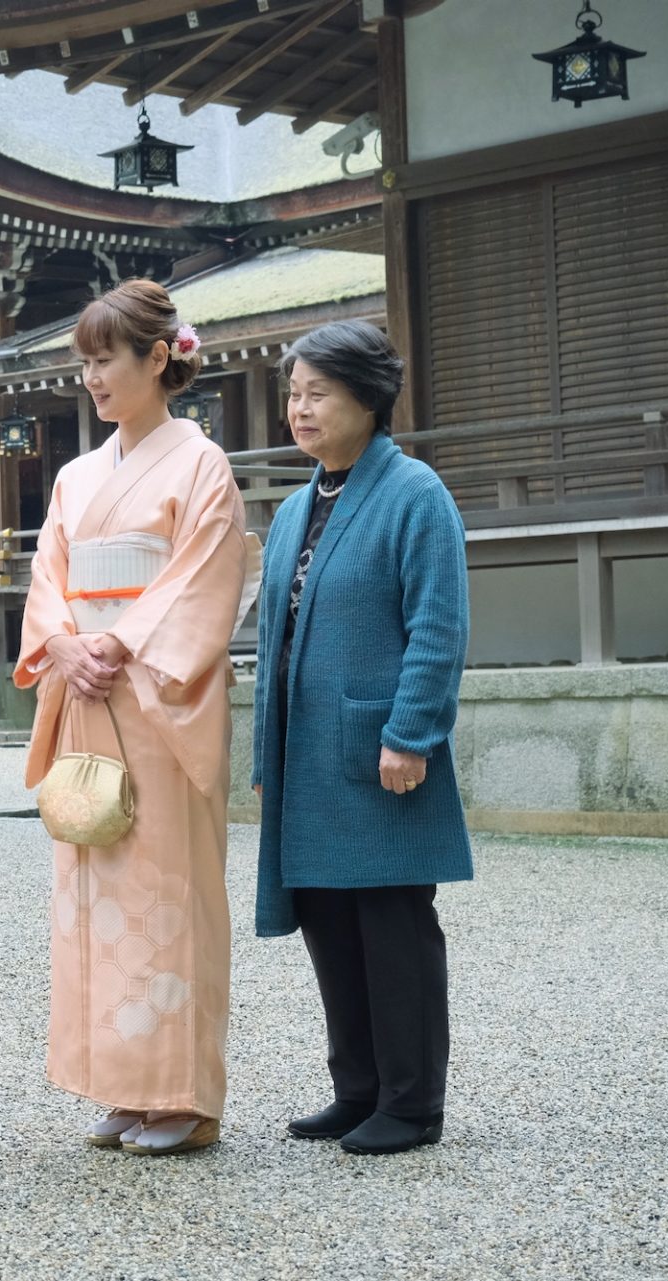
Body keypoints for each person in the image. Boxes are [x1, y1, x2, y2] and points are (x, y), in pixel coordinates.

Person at [14, 280, 253, 1156]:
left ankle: (183, 1097)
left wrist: (120, 643)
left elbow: (202, 577)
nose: (92, 377)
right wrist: (64, 644)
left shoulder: (201, 466)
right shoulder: (78, 478)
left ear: (159, 358)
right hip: (86, 692)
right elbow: (48, 580)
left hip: (158, 698)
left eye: (105, 358)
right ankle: (122, 1083)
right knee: (94, 890)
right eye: (83, 363)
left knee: (168, 892)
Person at [251, 320, 472, 1157]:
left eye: (317, 394)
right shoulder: (300, 504)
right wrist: (265, 756)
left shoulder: (415, 494)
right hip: (308, 755)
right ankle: (359, 1089)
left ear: (368, 401)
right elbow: (274, 642)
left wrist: (412, 732)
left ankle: (413, 1103)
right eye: (294, 394)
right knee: (330, 923)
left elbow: (438, 626)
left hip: (381, 752)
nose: (299, 410)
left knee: (391, 922)